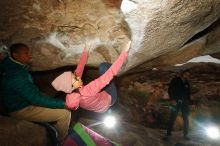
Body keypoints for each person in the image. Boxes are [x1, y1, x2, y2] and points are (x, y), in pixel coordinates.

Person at [0, 43, 71, 143]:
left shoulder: (9, 63)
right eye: (26, 53)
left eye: (29, 52)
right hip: (19, 108)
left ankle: (55, 127)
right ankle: (61, 140)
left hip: (17, 101)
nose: (30, 55)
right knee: (65, 112)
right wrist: (63, 104)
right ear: (16, 55)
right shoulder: (16, 75)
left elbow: (31, 92)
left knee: (48, 98)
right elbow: (35, 98)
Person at [52, 41, 131, 112]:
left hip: (101, 108)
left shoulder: (78, 100)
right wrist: (124, 53)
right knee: (103, 68)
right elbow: (107, 76)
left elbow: (79, 70)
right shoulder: (87, 91)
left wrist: (85, 51)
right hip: (110, 98)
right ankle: (120, 67)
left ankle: (113, 79)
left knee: (101, 83)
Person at [164, 70, 191, 140]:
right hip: (175, 102)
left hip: (184, 103)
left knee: (186, 119)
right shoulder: (175, 80)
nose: (187, 76)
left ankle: (185, 135)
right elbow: (170, 90)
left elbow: (188, 94)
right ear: (182, 74)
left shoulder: (187, 83)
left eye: (188, 75)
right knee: (172, 117)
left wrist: (189, 102)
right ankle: (168, 134)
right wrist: (172, 99)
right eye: (186, 74)